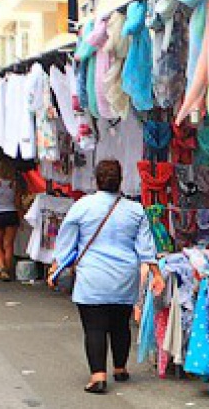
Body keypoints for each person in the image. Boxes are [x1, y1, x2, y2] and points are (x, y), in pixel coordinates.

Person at [53, 159, 155, 394]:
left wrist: (57, 266)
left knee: (95, 328)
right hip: (125, 276)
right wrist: (155, 272)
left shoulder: (82, 206)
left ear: (96, 180)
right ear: (120, 181)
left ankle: (98, 376)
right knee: (121, 324)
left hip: (93, 277)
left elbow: (66, 243)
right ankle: (120, 368)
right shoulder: (135, 209)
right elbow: (145, 247)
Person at [0, 159, 22, 280]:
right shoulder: (14, 183)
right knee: (8, 244)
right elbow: (17, 203)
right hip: (11, 213)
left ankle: (2, 268)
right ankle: (7, 268)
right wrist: (21, 215)